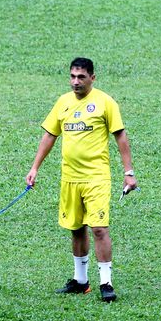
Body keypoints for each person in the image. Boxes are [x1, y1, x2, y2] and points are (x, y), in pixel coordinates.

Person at [26, 58, 137, 303]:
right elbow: (49, 135)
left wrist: (128, 172)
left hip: (96, 177)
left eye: (81, 77)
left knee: (98, 228)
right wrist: (35, 168)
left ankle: (106, 283)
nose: (76, 81)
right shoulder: (63, 102)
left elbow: (121, 136)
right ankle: (81, 281)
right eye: (73, 76)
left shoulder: (105, 102)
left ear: (92, 78)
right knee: (76, 228)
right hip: (70, 177)